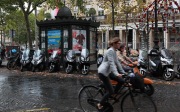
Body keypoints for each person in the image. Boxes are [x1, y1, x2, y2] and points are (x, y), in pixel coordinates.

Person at [97, 37, 126, 109]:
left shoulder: (114, 51)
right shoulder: (110, 51)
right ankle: (100, 104)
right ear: (114, 44)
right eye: (118, 43)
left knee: (121, 80)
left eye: (120, 43)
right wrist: (117, 74)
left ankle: (113, 93)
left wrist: (123, 72)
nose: (120, 44)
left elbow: (117, 63)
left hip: (109, 72)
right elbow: (111, 63)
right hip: (103, 73)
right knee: (110, 91)